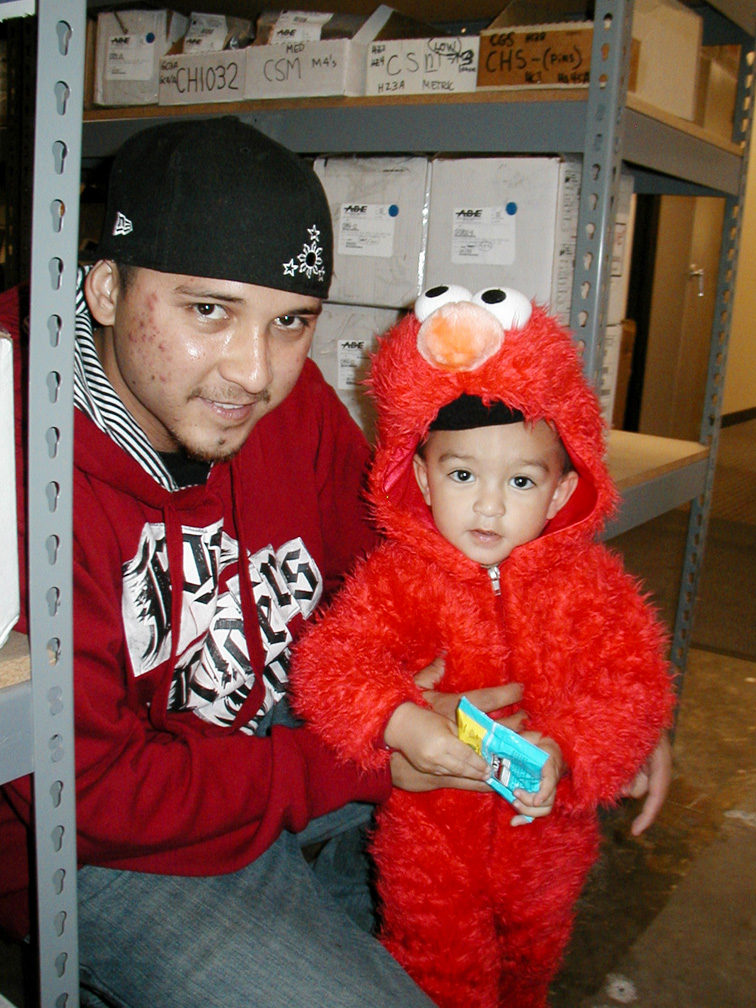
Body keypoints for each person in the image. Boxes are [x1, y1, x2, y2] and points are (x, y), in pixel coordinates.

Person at [0, 118, 524, 1008]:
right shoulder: (18, 459)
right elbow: (89, 791)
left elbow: (388, 578)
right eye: (208, 310)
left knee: (523, 805)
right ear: (106, 287)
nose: (253, 371)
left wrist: (580, 701)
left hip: (271, 738)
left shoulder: (287, 401)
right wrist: (359, 762)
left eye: (291, 321)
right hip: (105, 844)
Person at [290, 284, 676, 1008]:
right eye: (463, 474)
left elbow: (633, 687)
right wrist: (399, 721)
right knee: (435, 980)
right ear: (421, 476)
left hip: (548, 845)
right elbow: (332, 662)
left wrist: (567, 751)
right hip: (431, 843)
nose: (489, 505)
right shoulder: (400, 577)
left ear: (560, 492)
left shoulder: (592, 586)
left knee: (531, 971)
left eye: (521, 481)